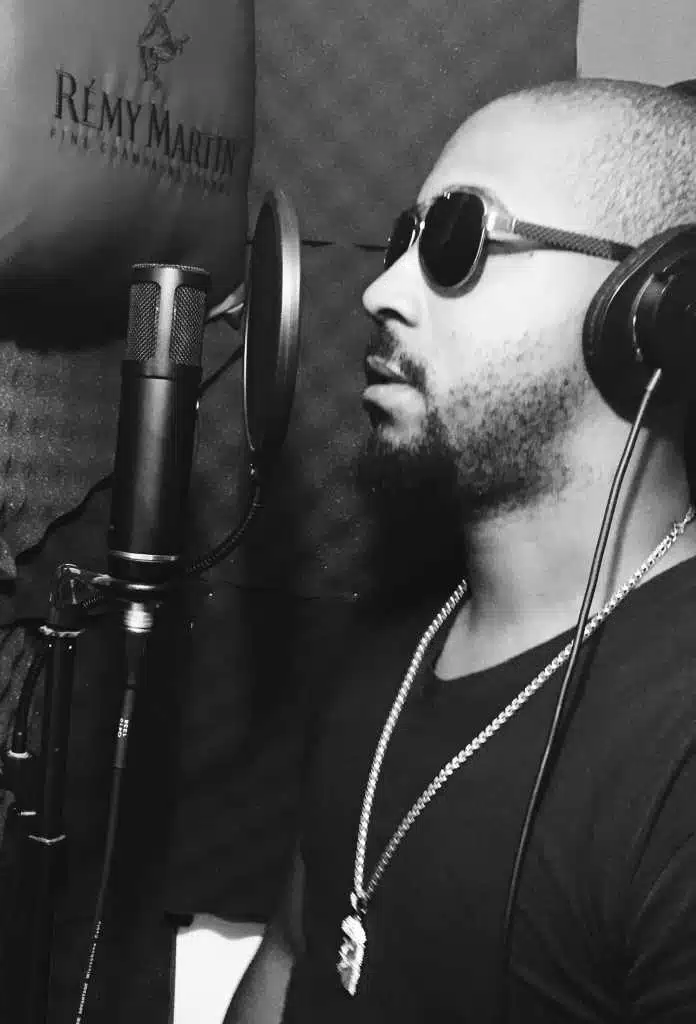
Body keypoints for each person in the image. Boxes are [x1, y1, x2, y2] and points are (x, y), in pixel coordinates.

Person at [225, 78, 696, 1023]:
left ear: (658, 309)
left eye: (457, 238)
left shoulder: (677, 761)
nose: (380, 291)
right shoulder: (395, 641)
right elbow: (294, 955)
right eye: (407, 238)